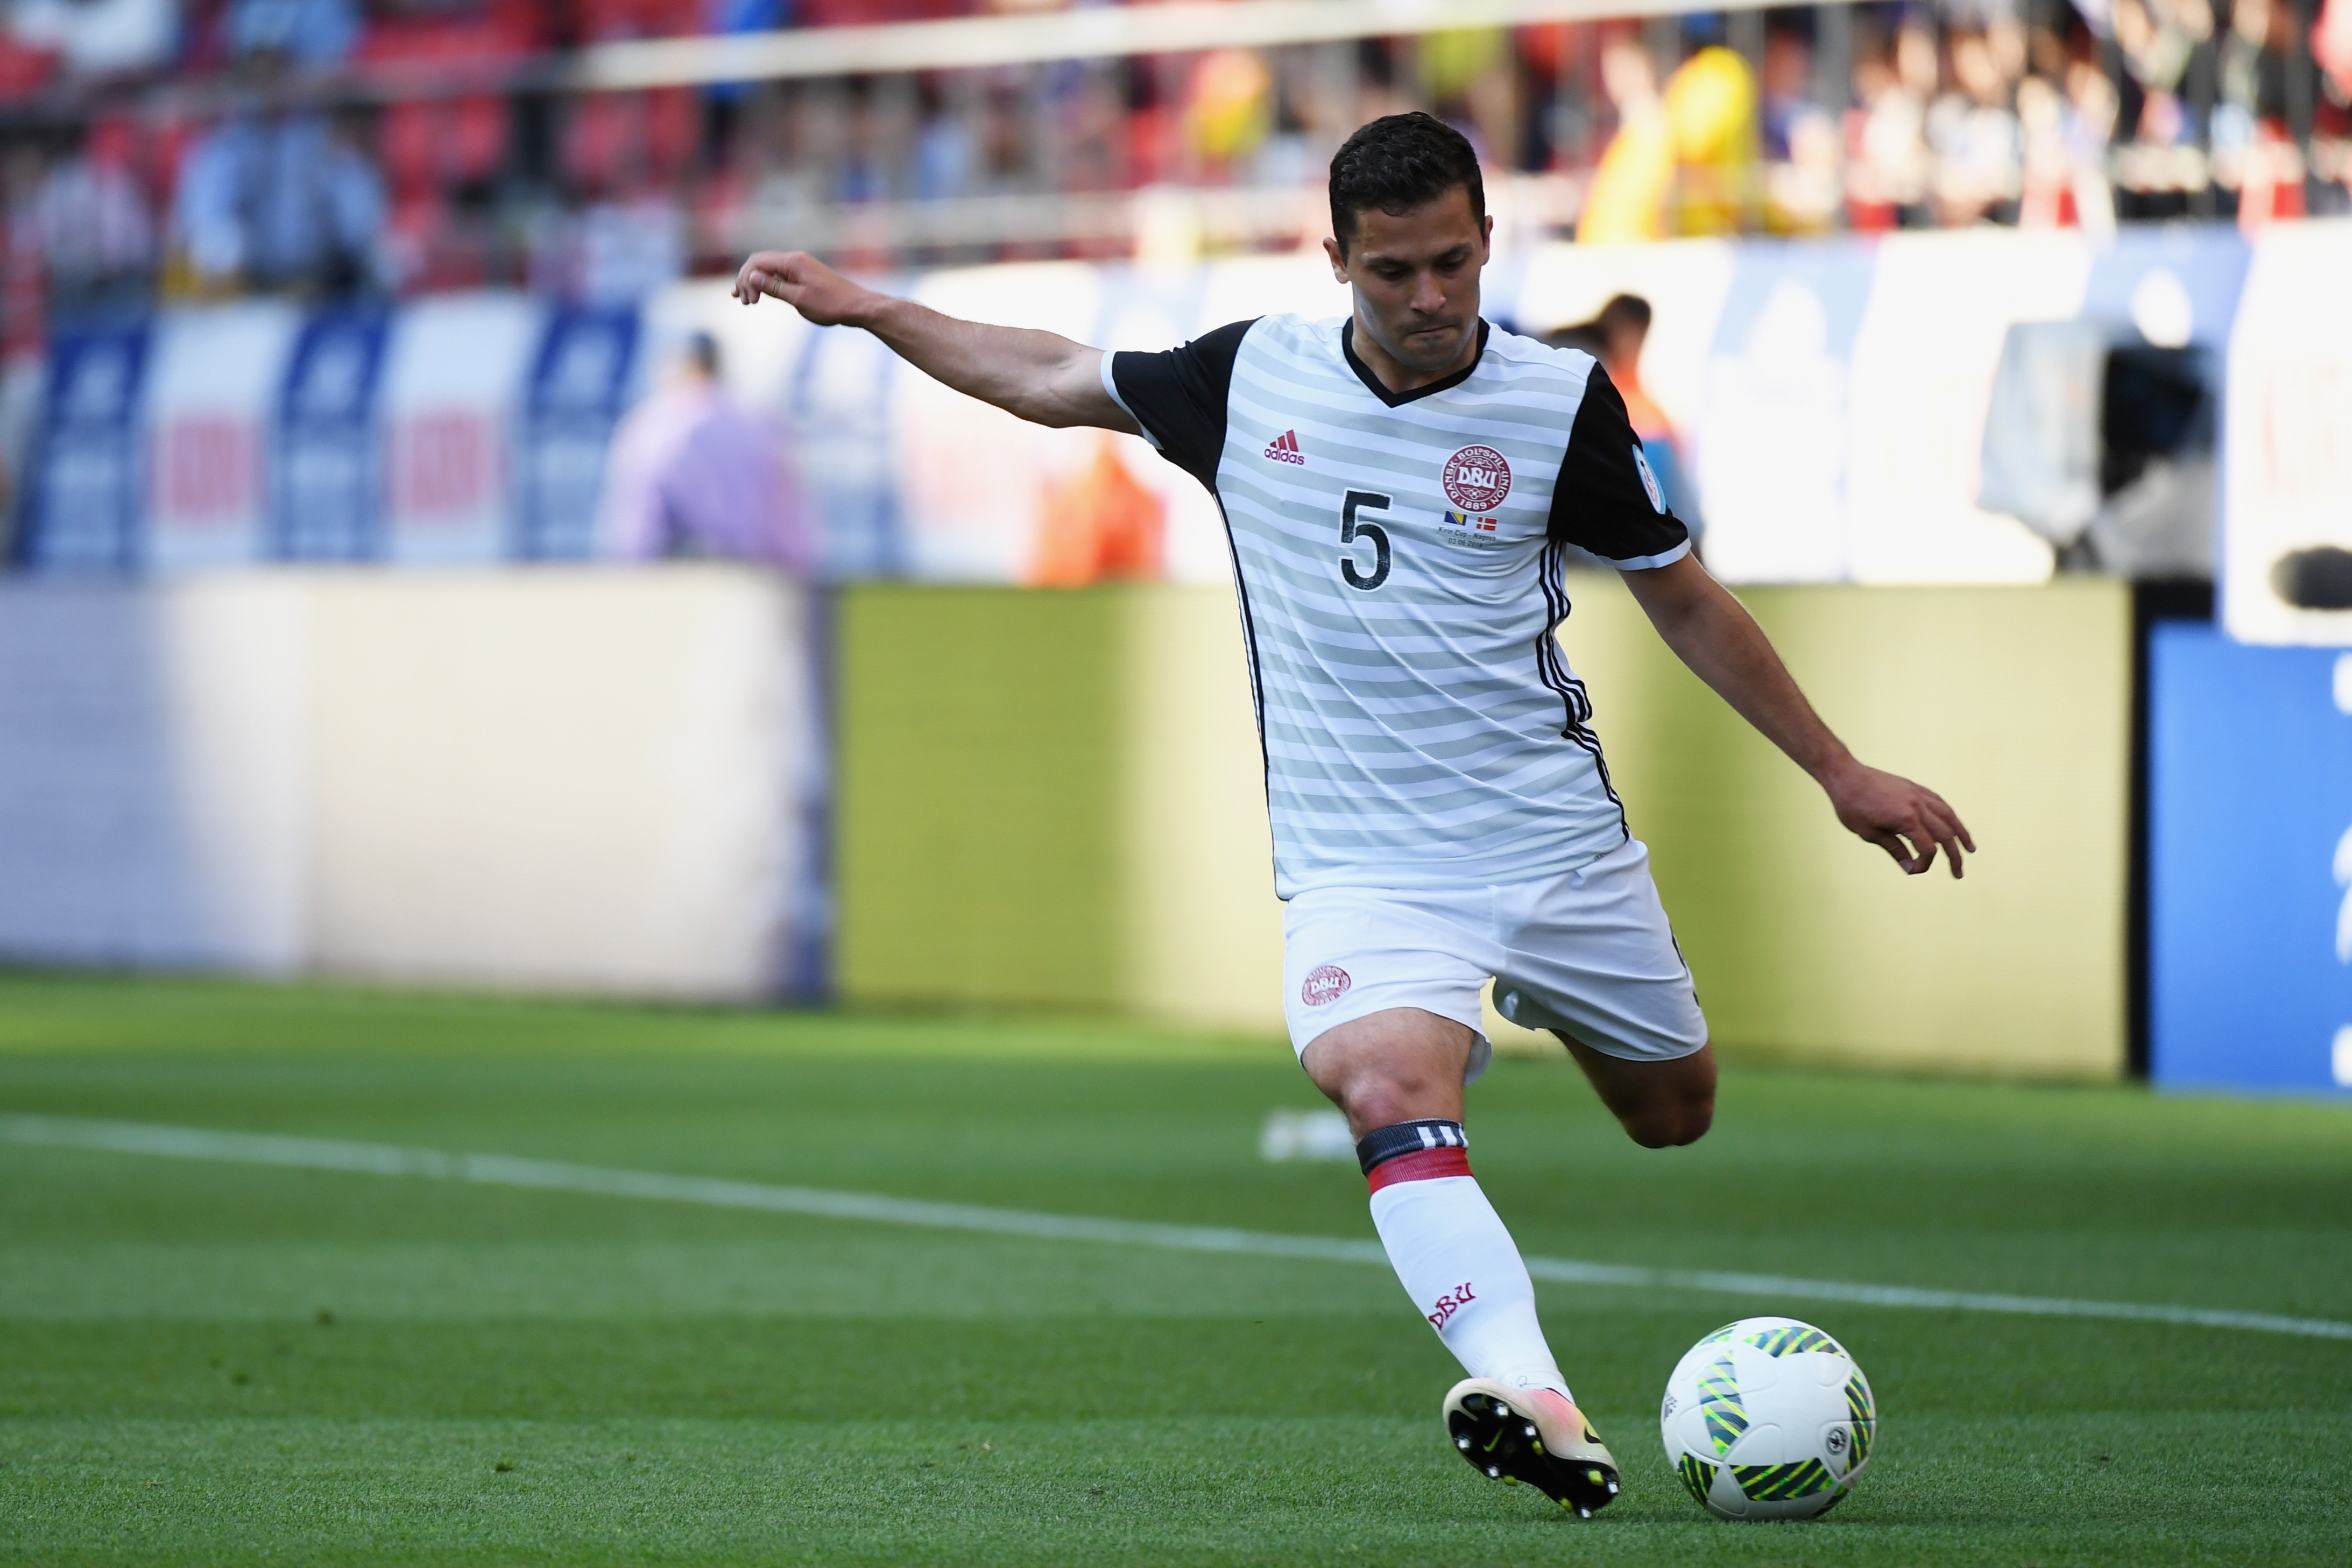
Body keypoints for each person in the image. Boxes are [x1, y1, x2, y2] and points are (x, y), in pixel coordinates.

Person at [731, 111, 1970, 1518]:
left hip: (1549, 837)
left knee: (1674, 1113)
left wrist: (1837, 768)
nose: (1430, 298)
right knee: (1381, 1080)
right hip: (1364, 862)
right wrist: (867, 307)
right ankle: (1534, 1394)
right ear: (1335, 258)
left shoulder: (1559, 403)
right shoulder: (1247, 373)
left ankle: (1542, 1003)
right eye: (1394, 272)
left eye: (1452, 262)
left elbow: (1678, 590)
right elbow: (1043, 374)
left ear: (1490, 240)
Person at [598, 329, 813, 571]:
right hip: (753, 573)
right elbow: (789, 518)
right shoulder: (759, 424)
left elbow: (637, 526)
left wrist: (628, 571)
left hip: (681, 574)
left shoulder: (653, 425)